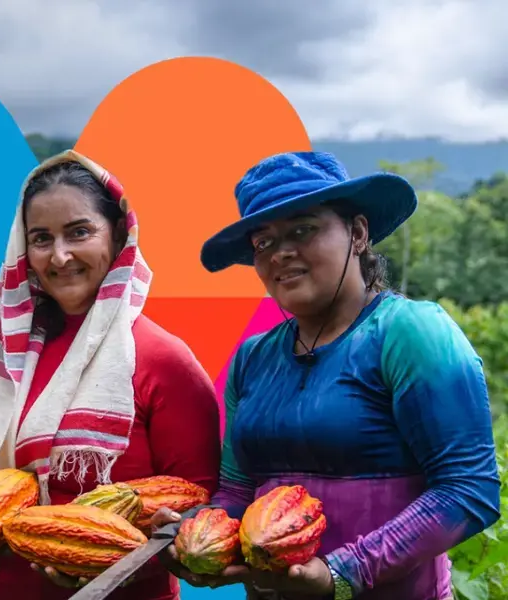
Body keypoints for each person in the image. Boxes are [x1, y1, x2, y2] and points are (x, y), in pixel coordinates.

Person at [155, 150, 502, 599]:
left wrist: (343, 572)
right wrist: (197, 534)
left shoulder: (409, 334)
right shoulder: (254, 358)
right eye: (263, 242)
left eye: (302, 229)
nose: (280, 253)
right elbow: (238, 491)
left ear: (357, 233)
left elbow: (469, 489)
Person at [0, 150, 223, 600]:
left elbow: (201, 501)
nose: (60, 256)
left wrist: (126, 556)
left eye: (79, 232)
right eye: (41, 239)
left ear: (118, 235)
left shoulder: (163, 360)